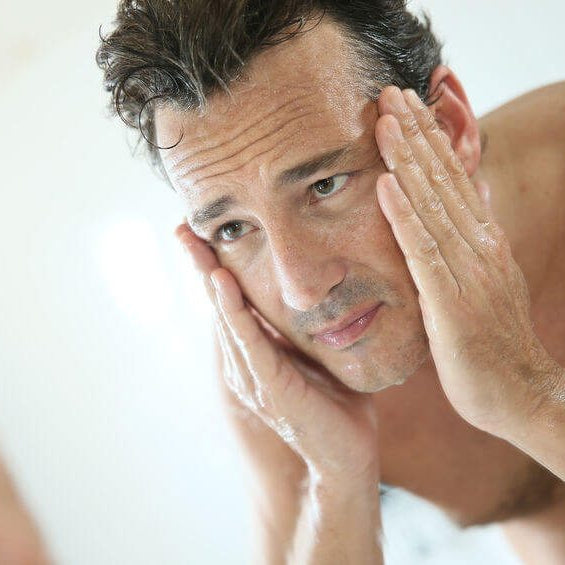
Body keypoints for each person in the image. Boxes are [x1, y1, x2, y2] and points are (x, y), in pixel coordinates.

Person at [97, 1, 565, 562]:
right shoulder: (280, 373)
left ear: (449, 130)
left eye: (325, 185)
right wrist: (334, 479)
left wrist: (530, 395)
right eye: (235, 227)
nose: (300, 290)